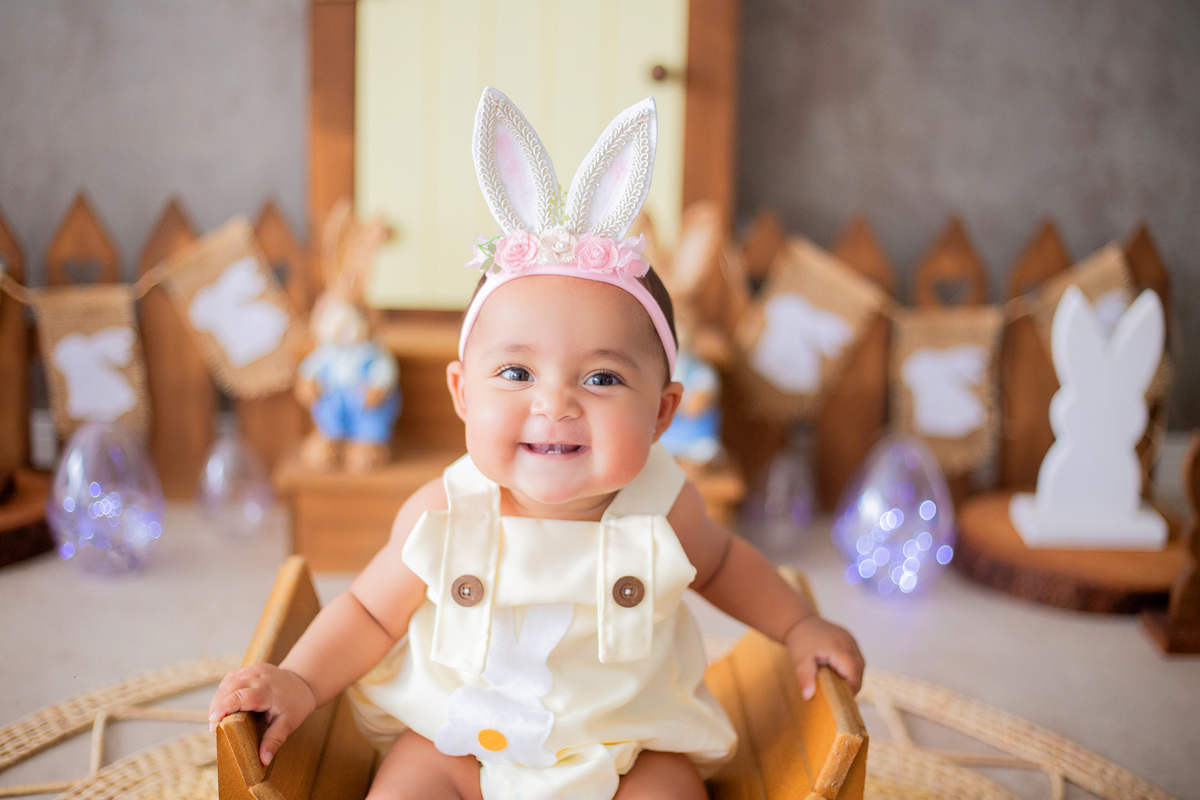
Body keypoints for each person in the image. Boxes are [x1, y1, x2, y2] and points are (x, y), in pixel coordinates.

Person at [208, 87, 863, 800]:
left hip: (628, 745)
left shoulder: (664, 507)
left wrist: (798, 624)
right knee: (407, 787)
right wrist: (300, 681)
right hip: (461, 738)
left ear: (663, 412)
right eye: (516, 372)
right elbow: (367, 612)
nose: (555, 403)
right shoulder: (444, 512)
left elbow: (728, 565)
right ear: (462, 393)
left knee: (671, 791)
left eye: (603, 377)